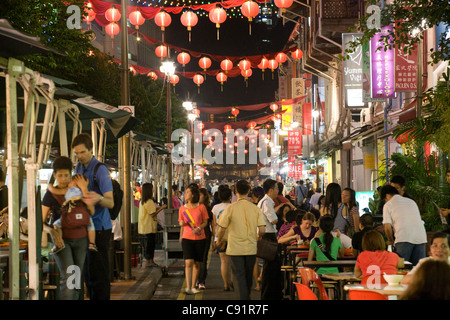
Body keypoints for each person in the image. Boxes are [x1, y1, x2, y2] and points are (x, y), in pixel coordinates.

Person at [72, 133, 115, 300]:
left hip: (99, 229)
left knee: (99, 275)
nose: (79, 156)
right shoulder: (78, 168)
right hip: (83, 227)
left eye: (82, 152)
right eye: (76, 153)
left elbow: (110, 202)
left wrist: (99, 198)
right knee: (88, 274)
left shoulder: (101, 170)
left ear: (91, 150)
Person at [216, 179, 266, 300]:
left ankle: (244, 299)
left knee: (239, 275)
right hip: (251, 247)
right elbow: (262, 229)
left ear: (235, 191)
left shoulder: (230, 208)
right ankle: (246, 296)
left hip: (235, 248)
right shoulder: (255, 208)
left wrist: (219, 240)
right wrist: (258, 237)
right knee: (248, 275)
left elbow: (221, 228)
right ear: (249, 191)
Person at [52, 180, 96, 300]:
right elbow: (91, 215)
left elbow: (57, 224)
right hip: (80, 239)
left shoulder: (63, 197)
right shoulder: (82, 201)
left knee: (71, 275)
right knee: (74, 274)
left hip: (66, 240)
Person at [381, 185, 427, 266]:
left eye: (385, 199)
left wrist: (390, 240)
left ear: (387, 195)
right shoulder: (411, 201)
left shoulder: (388, 205)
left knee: (401, 268)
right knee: (419, 270)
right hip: (421, 237)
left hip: (403, 238)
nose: (385, 201)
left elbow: (387, 228)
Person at [178, 185, 209, 295]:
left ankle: (193, 286)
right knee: (188, 262)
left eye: (187, 192)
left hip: (200, 238)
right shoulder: (182, 209)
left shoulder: (201, 207)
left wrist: (199, 228)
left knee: (197, 263)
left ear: (192, 195)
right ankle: (188, 285)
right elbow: (181, 222)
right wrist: (181, 225)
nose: (185, 194)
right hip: (187, 238)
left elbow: (205, 222)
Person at [258, 178, 282, 300]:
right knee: (270, 269)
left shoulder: (266, 201)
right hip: (268, 236)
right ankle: (268, 296)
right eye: (277, 188)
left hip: (268, 235)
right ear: (271, 190)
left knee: (271, 268)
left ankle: (273, 295)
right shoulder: (267, 202)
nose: (278, 191)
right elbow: (273, 220)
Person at [138, 183, 167, 267]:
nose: (153, 190)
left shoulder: (143, 201)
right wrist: (162, 208)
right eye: (152, 189)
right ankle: (149, 261)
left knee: (149, 245)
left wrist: (159, 207)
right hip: (149, 227)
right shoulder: (149, 201)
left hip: (144, 227)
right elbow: (152, 213)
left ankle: (150, 261)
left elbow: (152, 209)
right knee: (150, 245)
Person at [212, 185, 233, 291]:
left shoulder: (215, 208)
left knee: (224, 262)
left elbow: (214, 225)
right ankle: (232, 282)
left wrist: (215, 239)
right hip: (233, 237)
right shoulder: (233, 207)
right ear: (230, 196)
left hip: (220, 237)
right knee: (234, 261)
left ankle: (225, 284)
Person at [197, 187, 214, 290]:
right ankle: (197, 278)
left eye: (201, 195)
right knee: (196, 259)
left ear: (205, 196)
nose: (199, 197)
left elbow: (212, 224)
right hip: (194, 236)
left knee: (203, 259)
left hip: (206, 236)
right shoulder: (192, 208)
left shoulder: (207, 209)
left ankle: (201, 281)